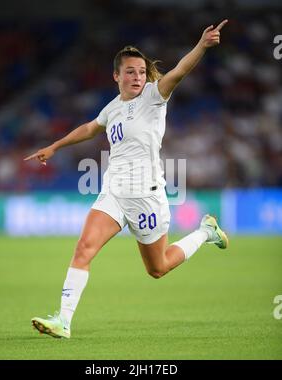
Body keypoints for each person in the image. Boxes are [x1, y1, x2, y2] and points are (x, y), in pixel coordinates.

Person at [25, 20, 229, 339]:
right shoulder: (113, 108)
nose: (137, 77)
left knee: (157, 268)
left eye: (141, 71)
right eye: (130, 72)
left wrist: (202, 46)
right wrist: (55, 146)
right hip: (114, 194)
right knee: (84, 248)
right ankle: (63, 321)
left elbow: (178, 72)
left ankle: (205, 231)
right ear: (116, 76)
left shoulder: (153, 96)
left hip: (147, 197)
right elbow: (92, 127)